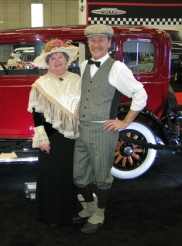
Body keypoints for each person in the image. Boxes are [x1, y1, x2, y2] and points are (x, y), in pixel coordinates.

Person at [72, 24, 148, 233]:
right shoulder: (84, 64)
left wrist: (125, 123)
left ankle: (99, 213)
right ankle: (89, 207)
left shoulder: (117, 68)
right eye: (92, 40)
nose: (96, 44)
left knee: (101, 178)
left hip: (103, 131)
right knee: (78, 176)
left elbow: (140, 94)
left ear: (109, 43)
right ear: (88, 43)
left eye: (101, 40)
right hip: (82, 129)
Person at [27, 39, 83, 226]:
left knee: (71, 176)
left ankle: (71, 212)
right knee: (52, 177)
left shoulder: (77, 80)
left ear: (67, 60)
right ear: (48, 62)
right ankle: (51, 215)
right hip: (52, 138)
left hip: (74, 137)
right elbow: (36, 115)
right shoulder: (40, 84)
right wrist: (42, 139)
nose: (57, 60)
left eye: (61, 57)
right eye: (53, 58)